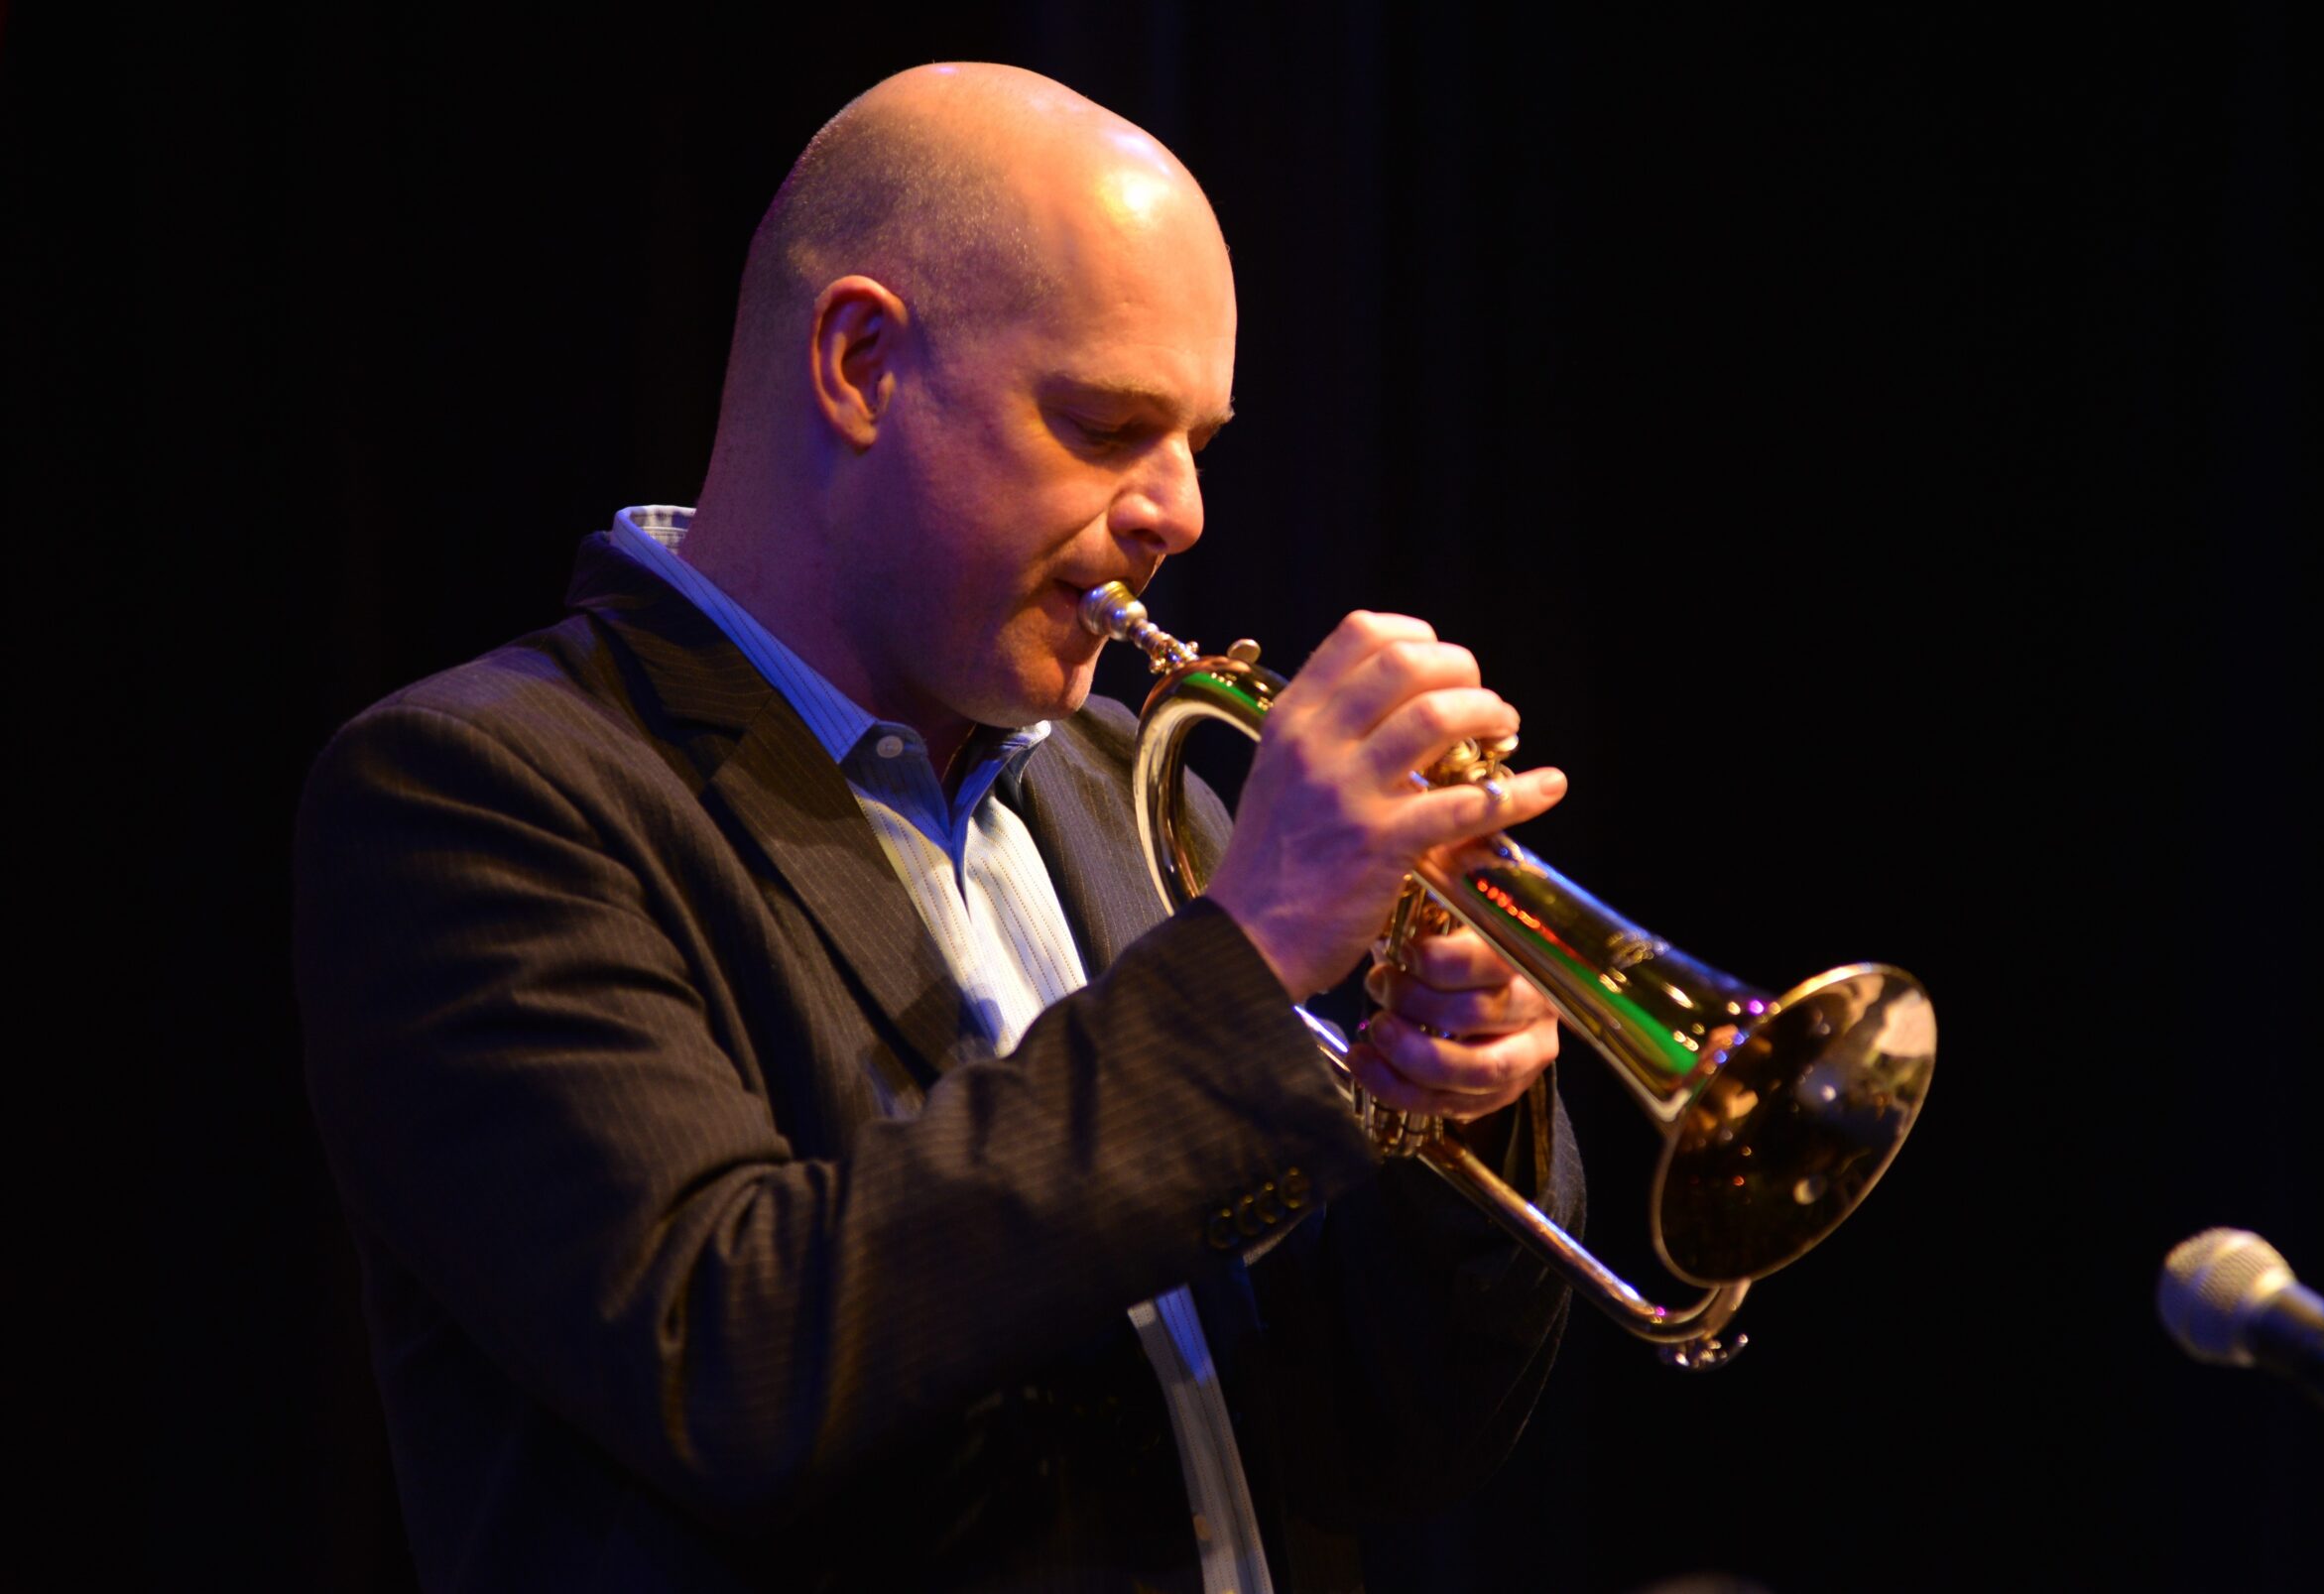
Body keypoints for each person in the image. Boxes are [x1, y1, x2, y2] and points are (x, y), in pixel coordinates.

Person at [296, 61, 1581, 1593]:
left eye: (1200, 443)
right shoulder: (480, 796)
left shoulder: (1120, 782)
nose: (1180, 512)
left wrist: (1451, 1118)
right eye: (1109, 424)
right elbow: (735, 1363)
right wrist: (1247, 964)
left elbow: (1377, 1441)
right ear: (858, 363)